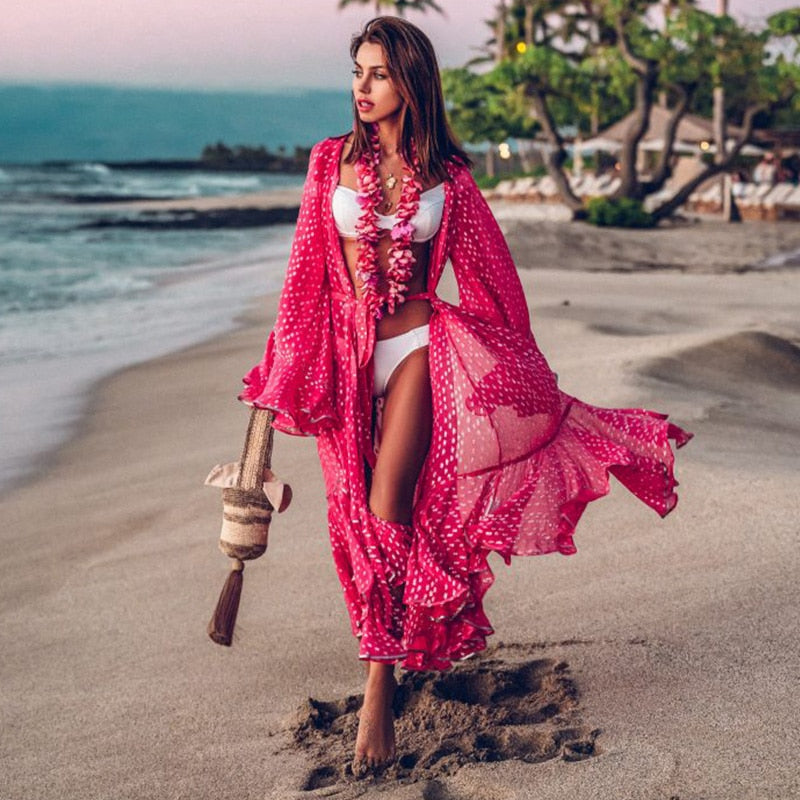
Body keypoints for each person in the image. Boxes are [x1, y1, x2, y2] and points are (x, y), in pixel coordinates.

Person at [239, 16, 691, 774]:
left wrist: (514, 369)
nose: (363, 86)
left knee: (387, 502)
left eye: (379, 73)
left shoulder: (450, 175)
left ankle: (378, 688)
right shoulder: (327, 164)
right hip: (347, 364)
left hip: (419, 346)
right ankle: (400, 641)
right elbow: (304, 280)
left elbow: (492, 278)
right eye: (357, 71)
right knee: (356, 522)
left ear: (411, 81)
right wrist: (277, 376)